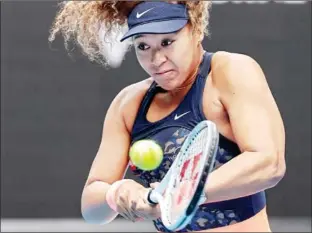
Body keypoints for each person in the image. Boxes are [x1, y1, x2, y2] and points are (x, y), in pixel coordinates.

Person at [49, 1, 286, 232]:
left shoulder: (230, 70)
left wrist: (176, 194)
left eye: (167, 42)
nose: (156, 59)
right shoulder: (128, 104)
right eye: (143, 46)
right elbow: (91, 208)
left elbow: (268, 163)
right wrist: (118, 193)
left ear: (197, 30)